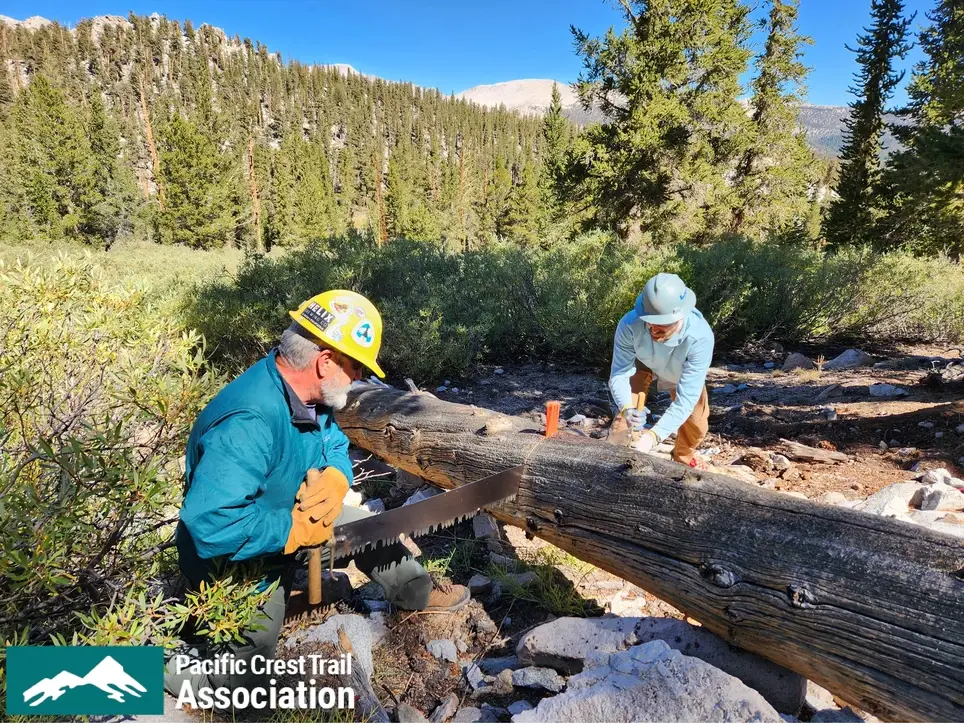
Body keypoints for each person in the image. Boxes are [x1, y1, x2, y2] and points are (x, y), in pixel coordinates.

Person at [164, 290, 469, 697]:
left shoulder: (305, 392)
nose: (361, 378)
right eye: (357, 367)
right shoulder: (248, 420)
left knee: (366, 527)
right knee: (240, 690)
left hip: (285, 523)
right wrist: (292, 533)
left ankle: (416, 591)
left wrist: (338, 477)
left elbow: (333, 444)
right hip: (237, 562)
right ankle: (108, 669)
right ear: (325, 361)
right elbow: (211, 525)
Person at [607, 273, 715, 469]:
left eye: (662, 326)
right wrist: (626, 407)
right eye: (649, 322)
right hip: (643, 363)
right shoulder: (629, 324)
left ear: (679, 316)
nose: (653, 330)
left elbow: (686, 400)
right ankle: (615, 457)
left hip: (679, 370)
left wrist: (653, 437)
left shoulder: (701, 338)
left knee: (696, 424)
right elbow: (620, 373)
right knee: (626, 418)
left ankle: (682, 461)